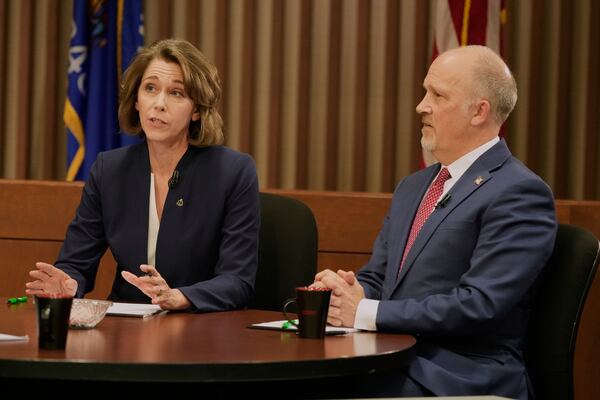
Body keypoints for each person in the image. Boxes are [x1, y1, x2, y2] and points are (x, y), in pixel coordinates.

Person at [313, 45, 557, 398]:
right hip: (393, 357)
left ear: (478, 112)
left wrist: (365, 311)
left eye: (437, 95)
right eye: (425, 92)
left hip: (460, 373)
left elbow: (479, 305)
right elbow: (379, 278)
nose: (421, 106)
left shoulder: (520, 192)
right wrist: (350, 292)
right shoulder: (413, 187)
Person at [25, 38, 260, 312]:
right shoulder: (109, 170)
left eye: (176, 93)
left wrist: (179, 297)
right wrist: (69, 284)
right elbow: (75, 263)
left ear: (196, 110)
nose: (159, 104)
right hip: (125, 329)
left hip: (201, 329)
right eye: (150, 88)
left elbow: (238, 280)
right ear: (136, 100)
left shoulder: (232, 172)